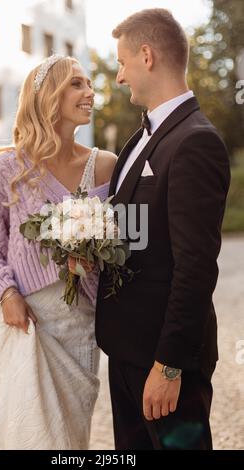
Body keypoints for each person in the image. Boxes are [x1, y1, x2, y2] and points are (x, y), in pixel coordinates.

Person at [0, 54, 117, 450]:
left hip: (81, 327)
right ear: (48, 96)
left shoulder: (105, 167)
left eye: (89, 84)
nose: (89, 92)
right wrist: (6, 293)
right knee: (26, 435)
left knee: (70, 440)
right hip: (25, 325)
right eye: (76, 84)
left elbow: (129, 239)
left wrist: (97, 253)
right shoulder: (8, 169)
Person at [95, 9, 231, 450]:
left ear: (147, 55)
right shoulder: (139, 140)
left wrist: (168, 365)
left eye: (122, 62)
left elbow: (195, 267)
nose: (118, 77)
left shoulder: (196, 141)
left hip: (164, 364)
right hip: (127, 354)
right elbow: (137, 235)